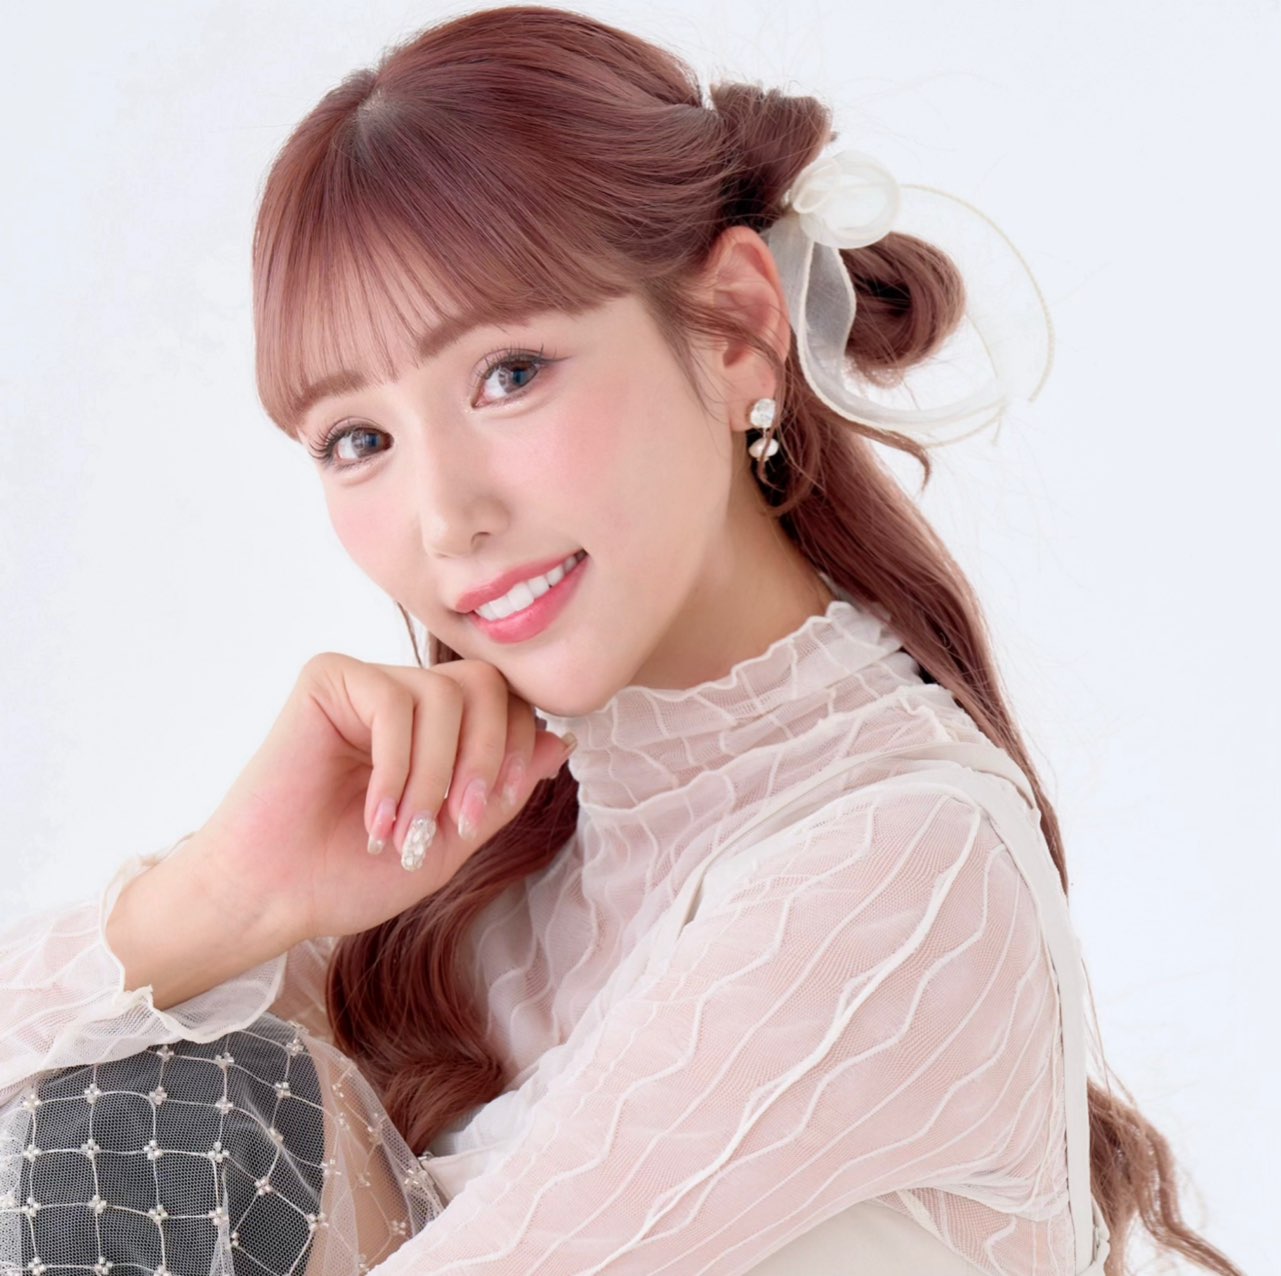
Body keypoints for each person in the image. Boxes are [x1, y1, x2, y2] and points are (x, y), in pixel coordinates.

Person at [0, 6, 1244, 1275]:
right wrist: (225, 894)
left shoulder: (901, 866)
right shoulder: (475, 878)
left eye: (510, 373)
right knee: (129, 1096)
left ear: (738, 325)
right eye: (359, 440)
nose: (446, 518)